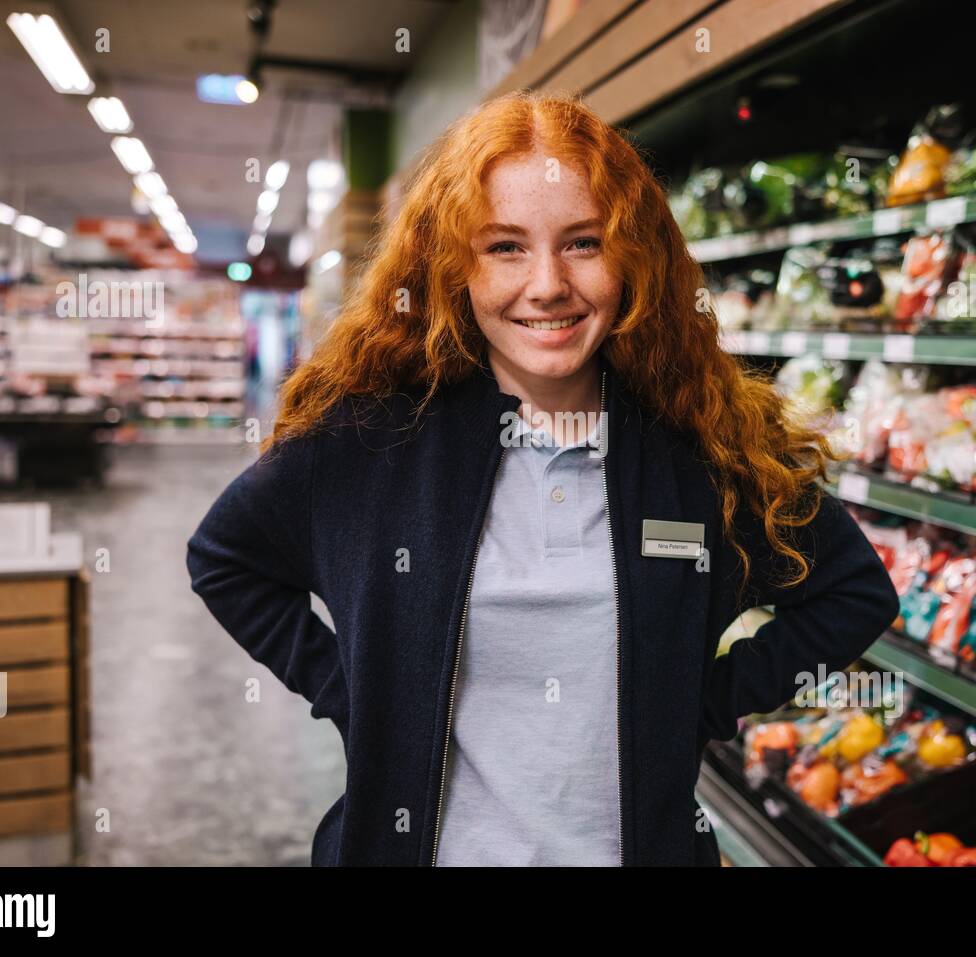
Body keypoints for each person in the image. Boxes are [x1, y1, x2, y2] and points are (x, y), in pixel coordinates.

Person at [185, 90, 899, 867]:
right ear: (454, 264)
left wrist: (694, 703)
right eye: (505, 247)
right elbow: (226, 559)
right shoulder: (375, 437)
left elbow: (855, 592)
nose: (549, 284)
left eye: (583, 243)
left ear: (633, 257)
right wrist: (355, 694)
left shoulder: (702, 448)